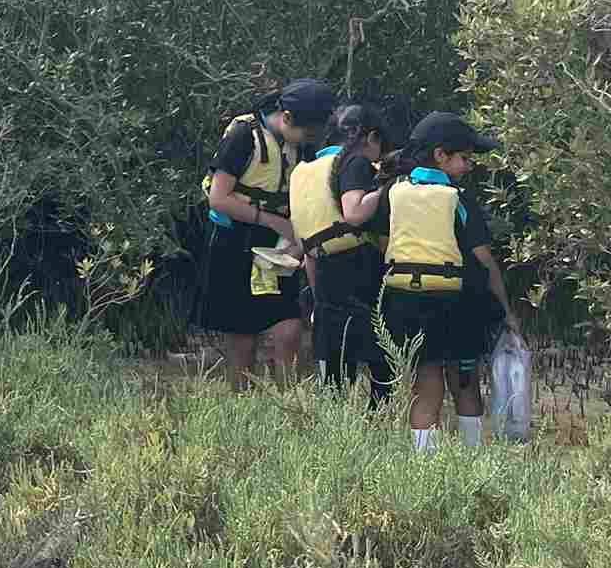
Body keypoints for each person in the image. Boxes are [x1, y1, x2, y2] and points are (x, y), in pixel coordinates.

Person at [365, 112, 516, 452]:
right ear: (440, 156)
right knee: (465, 384)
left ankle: (424, 466)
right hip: (456, 305)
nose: (467, 166)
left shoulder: (392, 192)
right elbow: (484, 261)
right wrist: (506, 312)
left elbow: (382, 242)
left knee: (425, 384)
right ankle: (473, 459)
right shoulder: (459, 200)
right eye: (464, 158)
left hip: (404, 304)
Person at [197, 79, 338, 388]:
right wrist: (273, 222)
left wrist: (296, 243)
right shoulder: (243, 136)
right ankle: (242, 409)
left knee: (289, 332)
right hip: (234, 241)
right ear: (286, 117)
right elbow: (219, 198)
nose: (310, 139)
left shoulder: (300, 145)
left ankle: (289, 408)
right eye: (308, 132)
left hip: (277, 249)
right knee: (243, 342)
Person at [291, 100, 395, 404]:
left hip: (323, 273)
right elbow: (354, 213)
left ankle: (336, 424)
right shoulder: (355, 161)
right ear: (371, 138)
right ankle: (380, 421)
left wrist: (315, 294)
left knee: (333, 366)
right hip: (359, 269)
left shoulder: (303, 172)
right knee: (380, 359)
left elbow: (307, 246)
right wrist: (385, 189)